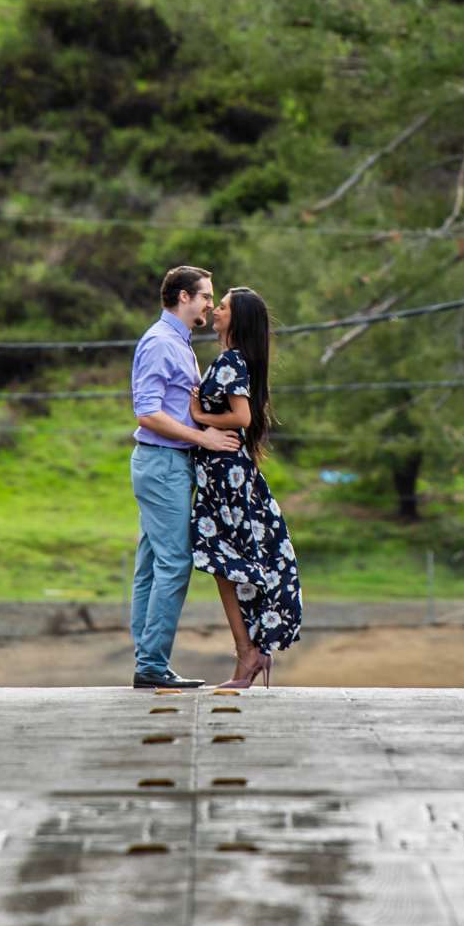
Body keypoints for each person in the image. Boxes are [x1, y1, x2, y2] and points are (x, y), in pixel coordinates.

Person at [186, 287, 302, 688]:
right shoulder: (231, 359)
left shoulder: (233, 361)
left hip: (227, 477)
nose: (215, 310)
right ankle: (251, 652)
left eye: (222, 307)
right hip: (221, 476)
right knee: (224, 564)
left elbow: (241, 416)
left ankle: (249, 653)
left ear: (236, 320)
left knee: (226, 563)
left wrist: (199, 415)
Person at [130, 265, 238, 690]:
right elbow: (147, 412)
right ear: (182, 297)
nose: (210, 305)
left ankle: (148, 660)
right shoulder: (160, 343)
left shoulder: (179, 343)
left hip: (167, 464)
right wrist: (203, 438)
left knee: (152, 566)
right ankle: (152, 665)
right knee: (174, 563)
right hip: (162, 464)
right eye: (206, 297)